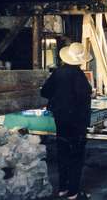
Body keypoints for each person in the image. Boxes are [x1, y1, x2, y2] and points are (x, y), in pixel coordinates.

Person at [40, 42, 92, 200]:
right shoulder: (80, 77)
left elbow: (45, 91)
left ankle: (62, 188)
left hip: (61, 119)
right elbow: (85, 97)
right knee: (76, 156)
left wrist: (59, 97)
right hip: (77, 122)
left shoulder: (58, 73)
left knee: (62, 152)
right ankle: (73, 192)